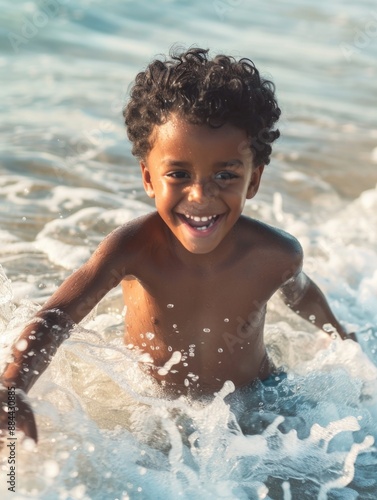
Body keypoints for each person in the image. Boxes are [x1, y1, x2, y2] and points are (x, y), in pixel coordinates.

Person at [0, 47, 355, 443]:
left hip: (259, 399)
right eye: (179, 174)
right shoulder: (131, 248)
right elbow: (56, 318)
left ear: (253, 181)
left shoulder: (275, 254)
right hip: (158, 408)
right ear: (149, 178)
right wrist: (12, 386)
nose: (200, 195)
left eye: (225, 174)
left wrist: (342, 338)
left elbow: (301, 292)